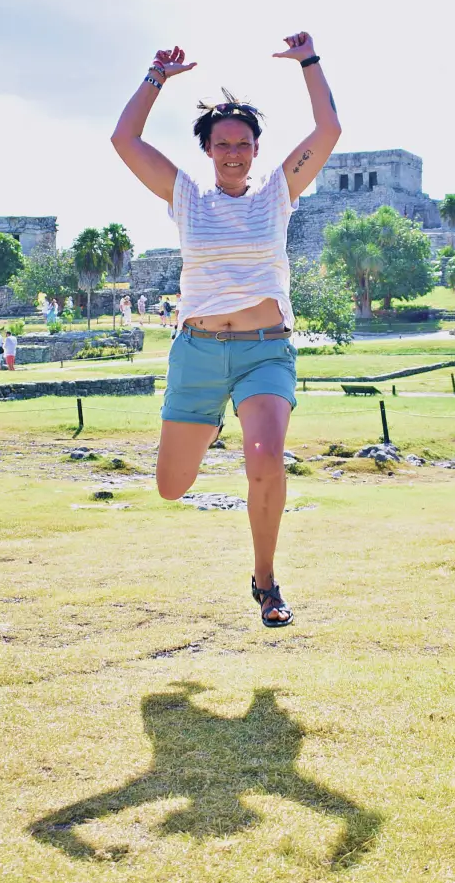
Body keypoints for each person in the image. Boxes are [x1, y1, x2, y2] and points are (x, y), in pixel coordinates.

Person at [110, 34, 341, 627]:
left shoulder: (278, 193)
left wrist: (310, 63)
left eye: (243, 143)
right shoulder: (186, 196)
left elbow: (328, 131)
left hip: (265, 353)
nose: (233, 152)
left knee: (265, 460)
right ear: (208, 150)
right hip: (198, 353)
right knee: (169, 485)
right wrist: (156, 77)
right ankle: (211, 415)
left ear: (257, 148)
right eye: (223, 145)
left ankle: (266, 582)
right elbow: (124, 140)